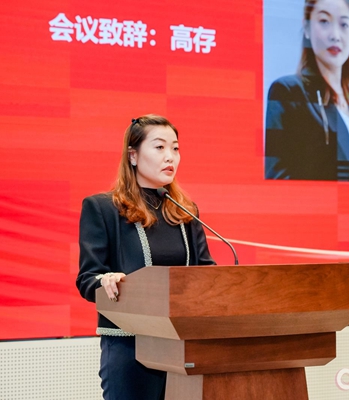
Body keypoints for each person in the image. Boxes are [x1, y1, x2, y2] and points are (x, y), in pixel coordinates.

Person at [76, 114, 215, 400]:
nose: (170, 157)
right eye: (160, 147)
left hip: (183, 350)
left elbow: (206, 273)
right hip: (131, 351)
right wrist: (106, 280)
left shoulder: (185, 211)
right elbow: (87, 279)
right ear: (133, 156)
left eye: (175, 148)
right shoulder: (103, 209)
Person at [265, 0, 349, 182]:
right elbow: (277, 177)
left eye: (344, 24)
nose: (335, 35)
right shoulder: (288, 92)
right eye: (324, 21)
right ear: (307, 28)